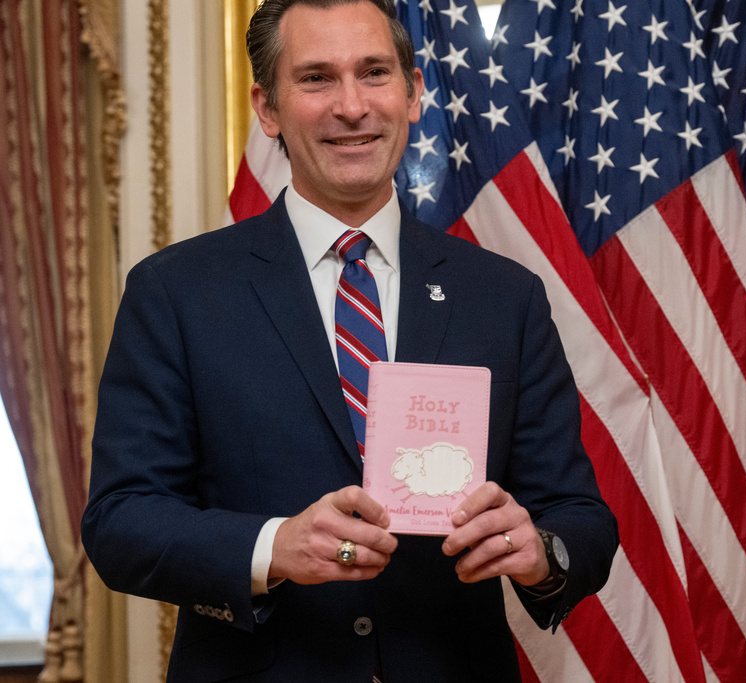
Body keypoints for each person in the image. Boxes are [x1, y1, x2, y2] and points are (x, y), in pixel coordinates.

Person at [81, 0, 618, 680]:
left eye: (373, 73)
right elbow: (120, 521)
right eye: (315, 79)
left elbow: (580, 516)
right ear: (268, 107)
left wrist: (541, 552)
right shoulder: (175, 292)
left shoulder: (505, 297)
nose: (352, 106)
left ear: (413, 92)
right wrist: (274, 545)